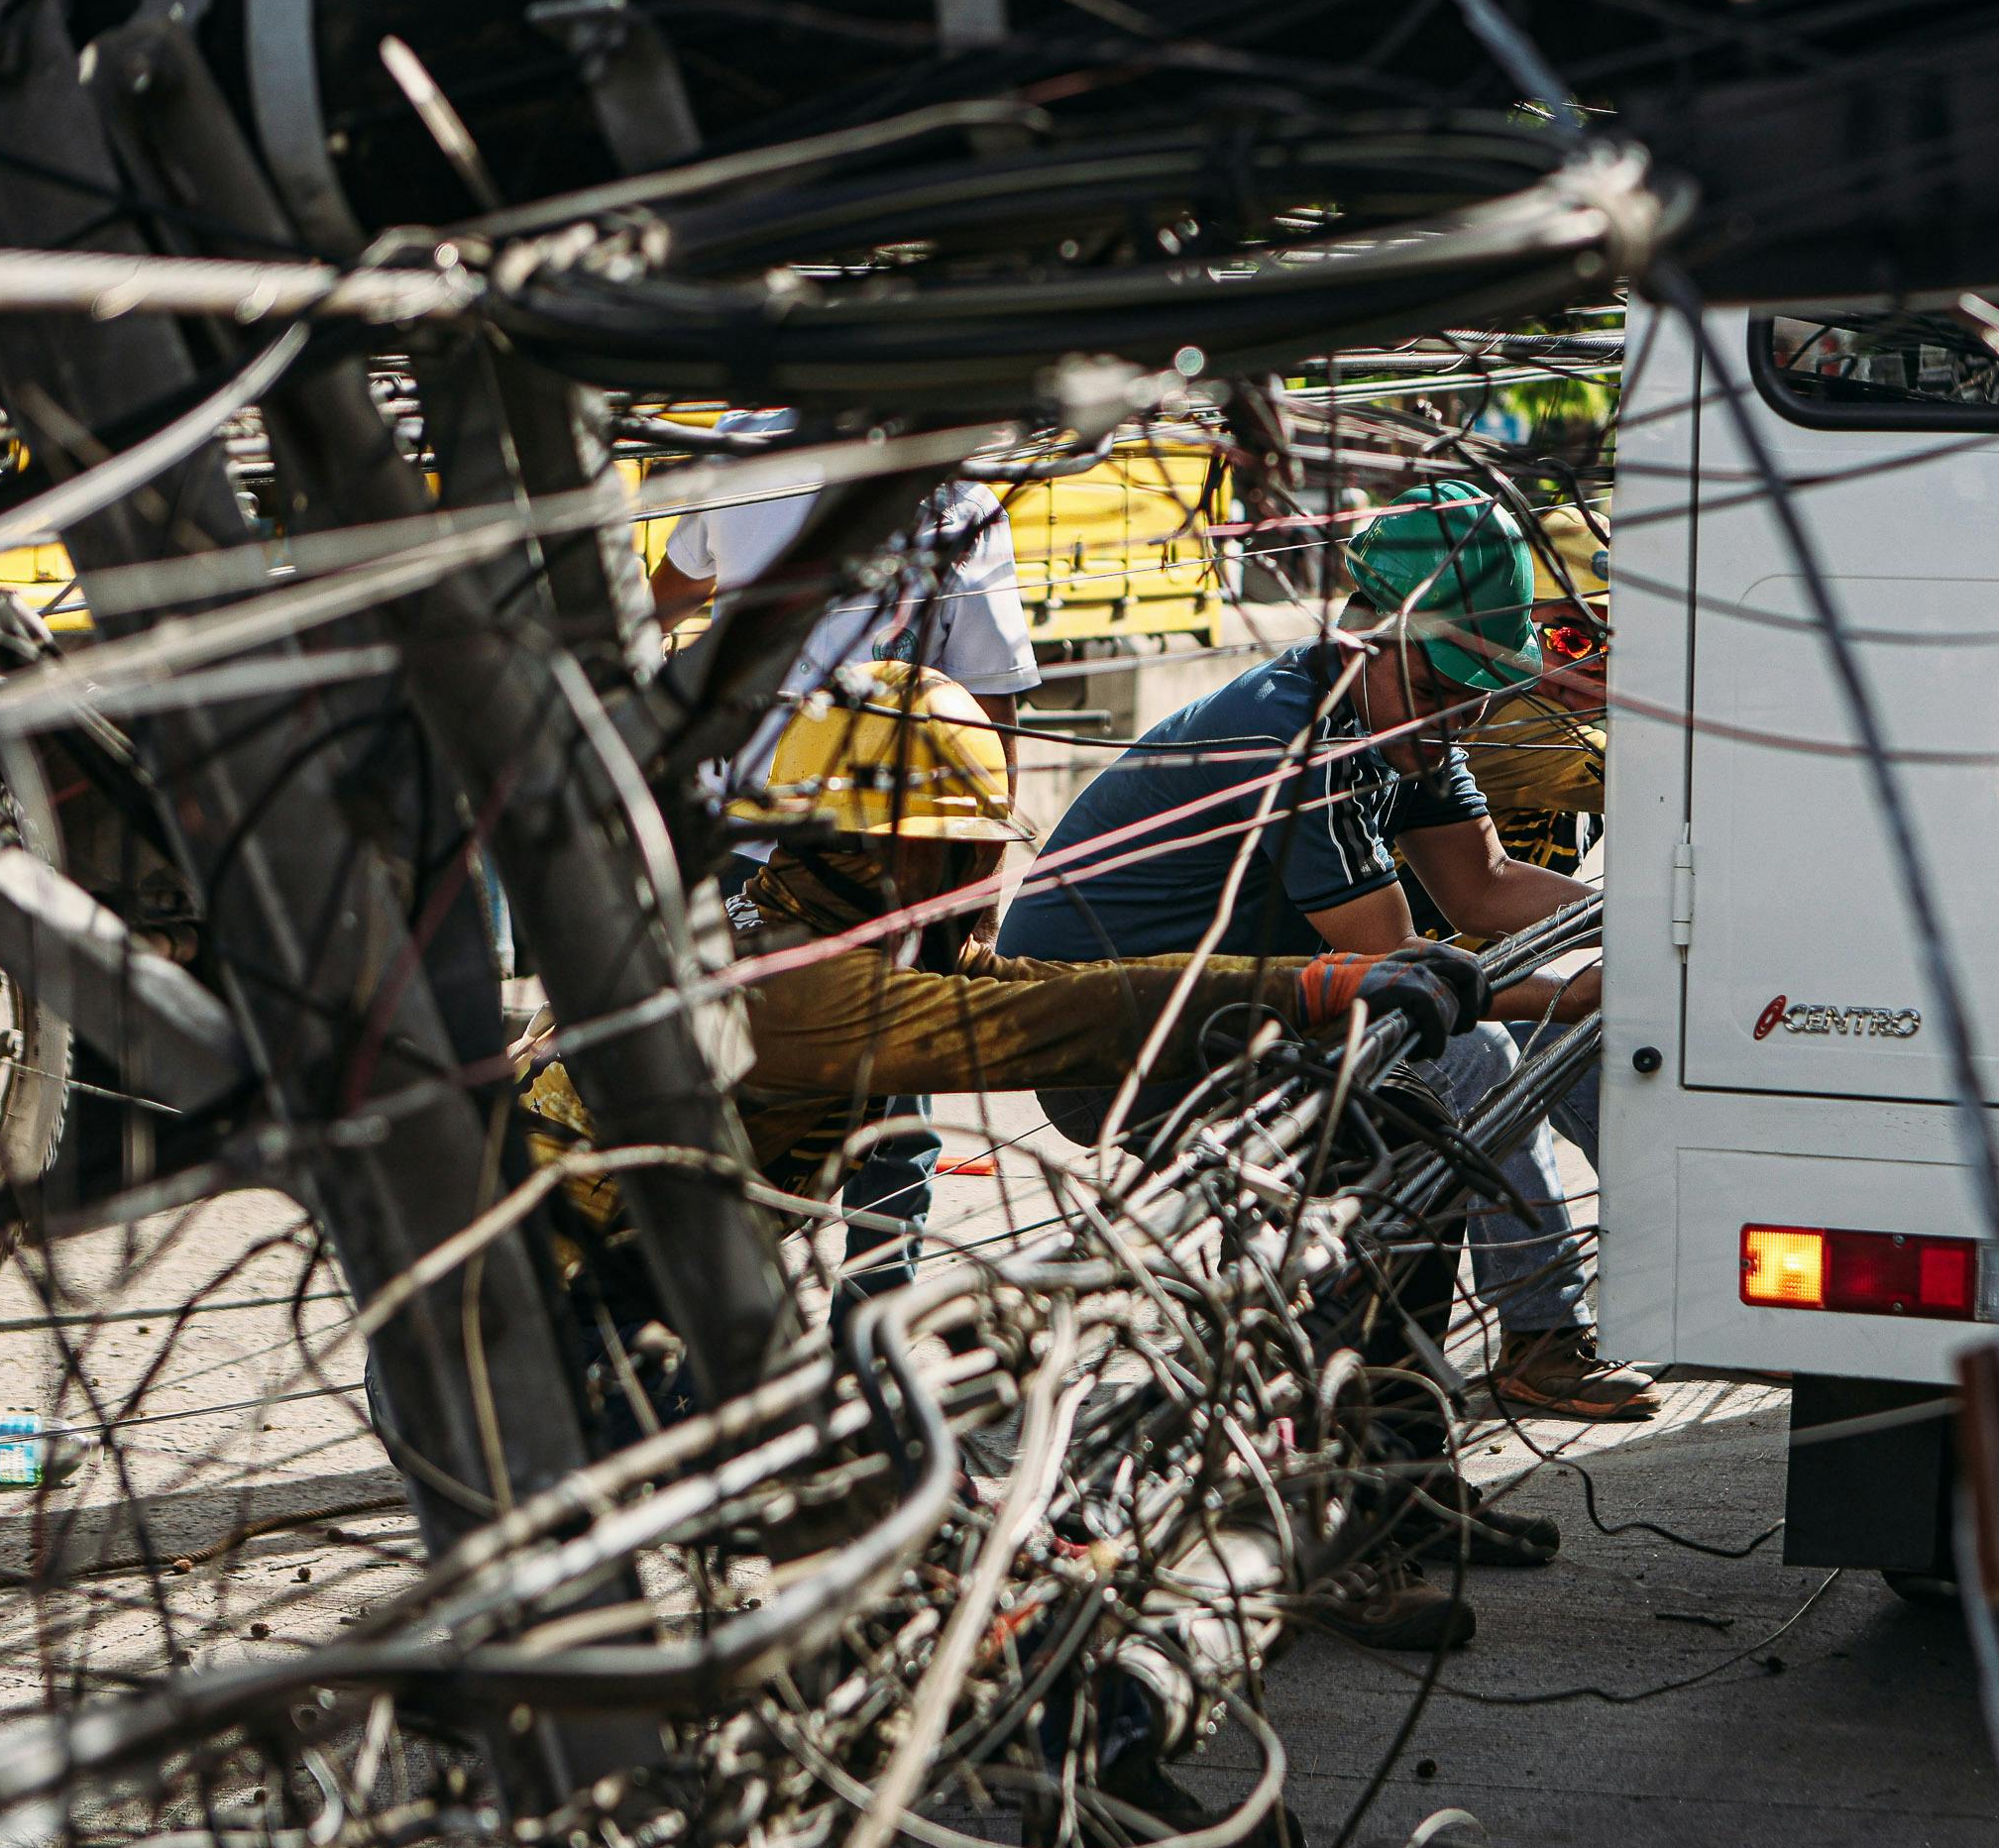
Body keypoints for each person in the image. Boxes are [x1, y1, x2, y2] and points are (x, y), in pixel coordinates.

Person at [521, 665, 1555, 1646]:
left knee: (949, 1509)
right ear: (863, 850)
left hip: (626, 1311)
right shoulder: (789, 987)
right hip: (555, 1350)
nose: (982, 881)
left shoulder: (805, 927)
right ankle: (1093, 1742)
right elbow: (1065, 1014)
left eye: (980, 854)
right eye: (955, 854)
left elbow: (1034, 985)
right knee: (971, 1546)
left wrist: (1320, 978)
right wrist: (1318, 987)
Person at [1002, 479, 1654, 1422]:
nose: (1454, 727)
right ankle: (1540, 1339)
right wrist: (1585, 987)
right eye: (1436, 694)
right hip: (1118, 1045)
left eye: (1475, 701)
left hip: (1251, 1011)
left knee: (1560, 1031)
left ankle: (1684, 1261)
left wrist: (1650, 932)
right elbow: (1397, 975)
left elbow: (1483, 885)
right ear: (1364, 638)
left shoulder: (1403, 722)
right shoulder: (1300, 739)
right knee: (1473, 1053)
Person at [650, 409, 1043, 1286]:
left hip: (783, 839)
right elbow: (993, 709)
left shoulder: (755, 449)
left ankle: (733, 1309)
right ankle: (851, 1327)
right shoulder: (953, 500)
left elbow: (666, 593)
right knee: (881, 1095)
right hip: (854, 854)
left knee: (747, 1079)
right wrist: (981, 886)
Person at [1394, 500, 1631, 1416]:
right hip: (1391, 989)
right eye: (1571, 638)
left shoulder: (1576, 713)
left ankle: (1691, 1273)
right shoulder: (1499, 725)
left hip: (1477, 977)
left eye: (1619, 638)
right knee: (1494, 1071)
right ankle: (1541, 1331)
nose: (1601, 666)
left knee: (1610, 1052)